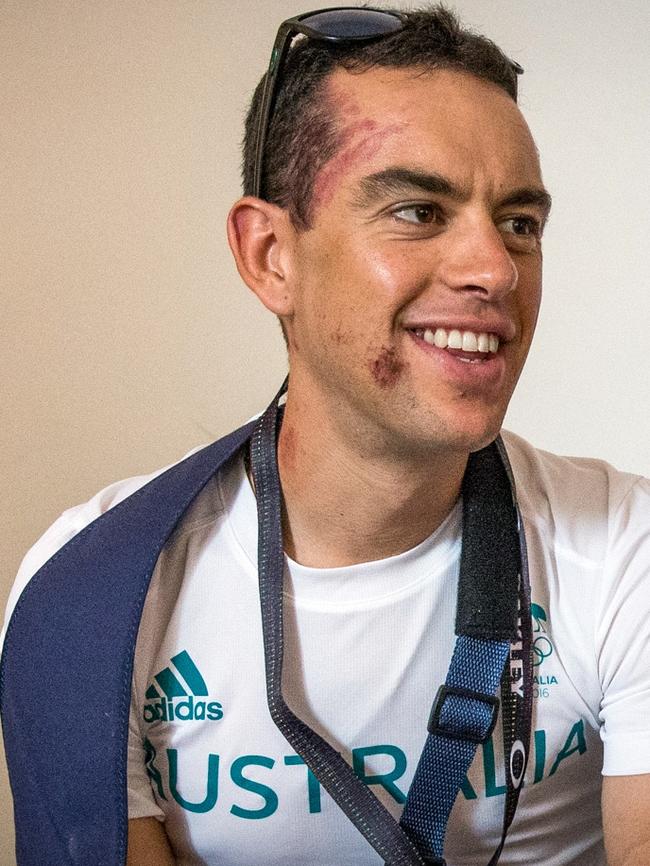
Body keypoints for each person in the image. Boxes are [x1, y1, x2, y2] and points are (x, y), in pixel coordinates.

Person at [2, 5, 650, 866]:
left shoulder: (624, 554)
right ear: (271, 254)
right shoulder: (92, 589)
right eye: (419, 211)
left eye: (521, 223)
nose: (495, 269)